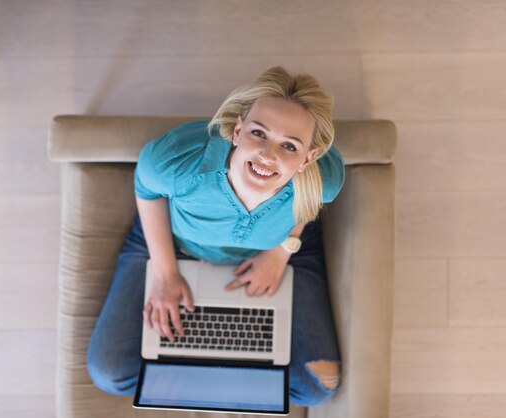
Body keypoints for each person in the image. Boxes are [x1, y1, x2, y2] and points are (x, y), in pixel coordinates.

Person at [87, 66, 344, 406]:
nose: (268, 155)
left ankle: (209, 378)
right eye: (259, 133)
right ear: (238, 129)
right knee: (109, 372)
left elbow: (308, 208)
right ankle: (221, 380)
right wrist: (165, 272)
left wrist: (281, 252)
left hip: (284, 247)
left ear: (308, 158)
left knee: (317, 389)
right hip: (178, 245)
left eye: (290, 146)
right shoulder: (178, 159)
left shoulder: (325, 179)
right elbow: (146, 189)